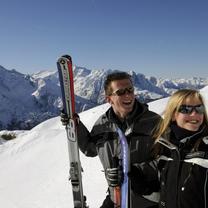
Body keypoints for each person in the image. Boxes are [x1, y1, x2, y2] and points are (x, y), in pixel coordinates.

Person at [61, 71, 161, 208]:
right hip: (116, 199)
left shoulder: (153, 122)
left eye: (130, 90)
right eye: (120, 92)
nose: (128, 95)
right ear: (109, 99)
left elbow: (169, 160)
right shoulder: (103, 125)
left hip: (147, 201)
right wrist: (75, 126)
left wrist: (136, 172)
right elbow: (90, 149)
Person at [153, 89, 208, 208]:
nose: (194, 114)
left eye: (199, 109)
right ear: (173, 114)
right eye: (186, 109)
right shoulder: (162, 147)